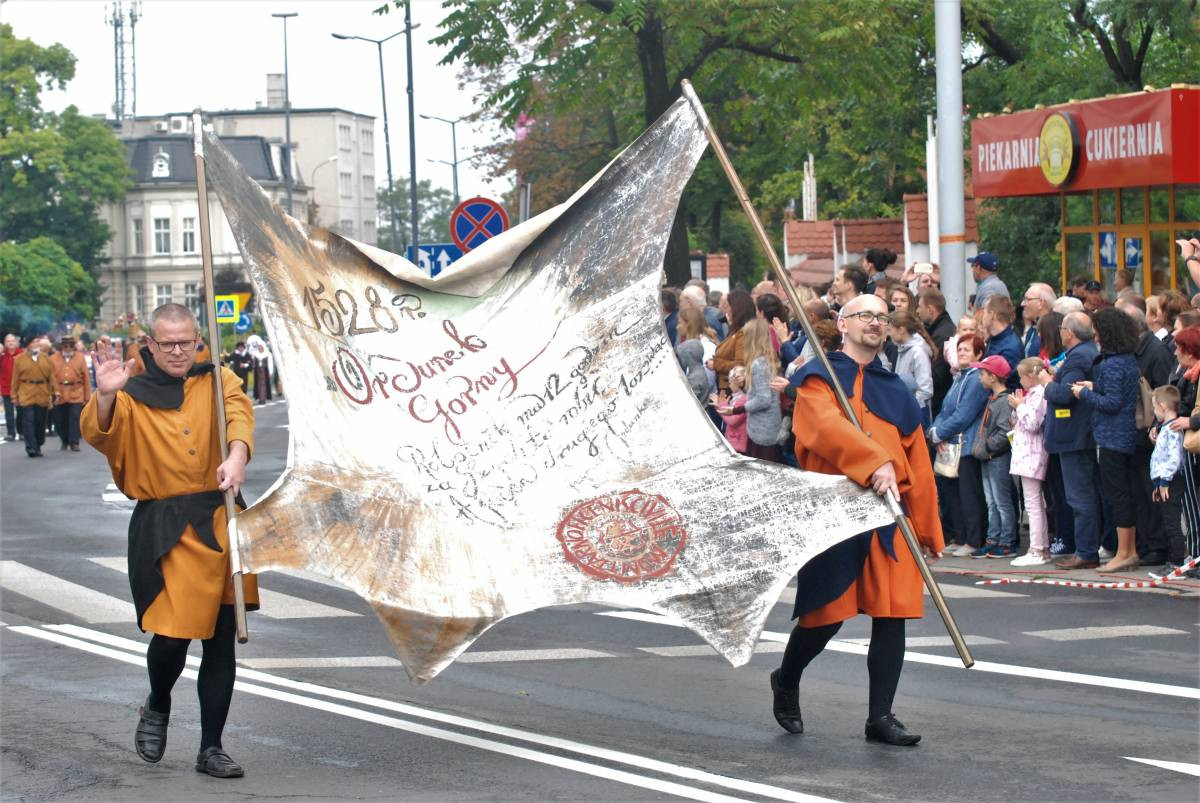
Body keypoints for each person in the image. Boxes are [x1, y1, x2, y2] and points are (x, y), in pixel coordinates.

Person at [81, 303, 260, 778]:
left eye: (185, 342)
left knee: (221, 640)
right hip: (166, 527)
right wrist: (104, 396)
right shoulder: (131, 391)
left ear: (198, 339)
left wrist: (237, 456)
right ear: (151, 344)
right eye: (167, 344)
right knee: (173, 637)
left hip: (220, 518)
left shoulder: (219, 379)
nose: (178, 351)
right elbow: (101, 434)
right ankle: (158, 700)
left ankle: (211, 748)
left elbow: (239, 419)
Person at [771, 293, 942, 746]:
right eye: (865, 314)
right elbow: (822, 429)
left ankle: (880, 717)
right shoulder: (818, 378)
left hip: (889, 514)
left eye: (882, 317)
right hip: (837, 511)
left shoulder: (896, 388)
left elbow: (917, 460)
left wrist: (927, 527)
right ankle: (786, 679)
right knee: (824, 616)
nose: (875, 322)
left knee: (893, 613)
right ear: (843, 324)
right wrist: (873, 461)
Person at [1045, 312, 1102, 570]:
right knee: (1082, 495)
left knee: (1079, 496)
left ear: (1069, 332)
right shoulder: (1086, 352)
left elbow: (1066, 394)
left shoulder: (1079, 356)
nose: (1060, 333)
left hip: (1074, 437)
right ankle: (1087, 549)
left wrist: (1047, 384)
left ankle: (1086, 551)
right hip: (1078, 435)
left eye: (1062, 329)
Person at [930, 334, 991, 556]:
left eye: (967, 349)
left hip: (967, 445)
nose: (961, 352)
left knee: (969, 495)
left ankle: (973, 540)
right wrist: (935, 432)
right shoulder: (959, 377)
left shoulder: (975, 379)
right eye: (959, 349)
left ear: (979, 354)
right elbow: (945, 410)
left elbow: (964, 415)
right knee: (952, 495)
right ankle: (961, 536)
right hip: (950, 444)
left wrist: (939, 433)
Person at [970, 356, 1016, 558]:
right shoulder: (993, 399)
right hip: (987, 458)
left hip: (997, 458)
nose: (979, 377)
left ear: (993, 377)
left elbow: (1005, 432)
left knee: (1002, 502)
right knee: (992, 502)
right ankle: (993, 539)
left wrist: (987, 447)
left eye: (982, 374)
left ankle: (1007, 542)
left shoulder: (1004, 401)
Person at [719, 319, 783, 463]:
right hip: (771, 425)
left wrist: (736, 410)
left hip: (761, 429)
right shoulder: (770, 358)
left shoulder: (758, 364)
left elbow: (763, 399)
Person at [1008, 358, 1051, 566]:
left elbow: (1033, 423)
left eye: (1021, 377)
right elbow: (1019, 422)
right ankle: (1041, 547)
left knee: (1033, 503)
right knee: (1034, 503)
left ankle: (1037, 549)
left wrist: (1020, 407)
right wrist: (1018, 407)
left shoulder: (1040, 394)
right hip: (1026, 453)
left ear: (1031, 376)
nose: (1020, 381)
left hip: (1032, 453)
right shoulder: (1032, 394)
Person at [1148, 385, 1194, 577]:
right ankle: (1175, 559)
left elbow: (1174, 459)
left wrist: (1164, 481)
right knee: (1169, 521)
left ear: (1162, 406)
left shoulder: (1173, 429)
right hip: (1164, 481)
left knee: (1172, 523)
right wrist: (1157, 483)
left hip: (1171, 481)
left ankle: (1176, 562)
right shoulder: (1165, 428)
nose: (1154, 412)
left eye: (1154, 407)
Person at [11, 337, 54, 457]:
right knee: (28, 420)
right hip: (26, 392)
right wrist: (14, 395)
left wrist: (55, 392)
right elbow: (15, 379)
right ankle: (30, 447)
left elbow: (52, 377)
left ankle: (38, 444)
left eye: (37, 342)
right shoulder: (19, 359)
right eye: (34, 342)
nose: (37, 344)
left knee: (40, 421)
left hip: (42, 392)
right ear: (28, 345)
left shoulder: (46, 358)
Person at [889, 310, 934, 424]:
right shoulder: (902, 349)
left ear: (901, 330)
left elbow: (926, 389)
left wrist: (909, 405)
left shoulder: (918, 352)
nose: (889, 334)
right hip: (906, 409)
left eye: (890, 330)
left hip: (917, 411)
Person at [916, 289, 956, 418]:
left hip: (938, 405)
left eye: (920, 306)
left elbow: (937, 376)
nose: (917, 311)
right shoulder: (940, 330)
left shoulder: (942, 334)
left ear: (930, 309)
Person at [49, 336, 90, 452]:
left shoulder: (80, 357)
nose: (68, 348)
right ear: (61, 347)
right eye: (66, 346)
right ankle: (64, 439)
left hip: (76, 391)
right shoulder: (53, 358)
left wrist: (87, 397)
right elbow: (50, 378)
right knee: (60, 419)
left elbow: (86, 378)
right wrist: (52, 394)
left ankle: (74, 442)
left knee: (75, 417)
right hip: (59, 392)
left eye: (71, 346)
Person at [711, 290, 756, 393]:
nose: (725, 311)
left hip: (733, 388)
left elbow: (740, 365)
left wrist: (716, 364)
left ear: (736, 309)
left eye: (727, 307)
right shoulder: (735, 331)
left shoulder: (743, 333)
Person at [980, 295, 1021, 391]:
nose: (982, 316)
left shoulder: (1010, 348)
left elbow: (1007, 384)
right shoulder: (993, 339)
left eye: (984, 312)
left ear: (992, 315)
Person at [675, 307, 715, 403]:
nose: (677, 327)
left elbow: (708, 381)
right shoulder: (687, 344)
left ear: (689, 324)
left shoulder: (707, 346)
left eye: (680, 323)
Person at [713, 365, 748, 454]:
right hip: (733, 440)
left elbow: (733, 421)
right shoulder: (736, 397)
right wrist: (720, 407)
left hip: (739, 442)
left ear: (738, 383)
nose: (729, 385)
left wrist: (721, 405)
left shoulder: (744, 399)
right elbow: (728, 417)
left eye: (731, 382)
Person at [1020, 283, 1056, 358]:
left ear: (1041, 303)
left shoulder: (1052, 333)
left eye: (1027, 299)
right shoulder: (1032, 330)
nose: (1022, 304)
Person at [1, 333, 24, 441]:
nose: (10, 343)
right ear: (5, 343)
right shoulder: (2, 356)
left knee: (21, 411)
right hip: (6, 388)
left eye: (12, 341)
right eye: (8, 341)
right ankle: (11, 433)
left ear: (16, 342)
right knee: (9, 412)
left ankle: (21, 432)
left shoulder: (22, 354)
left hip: (20, 388)